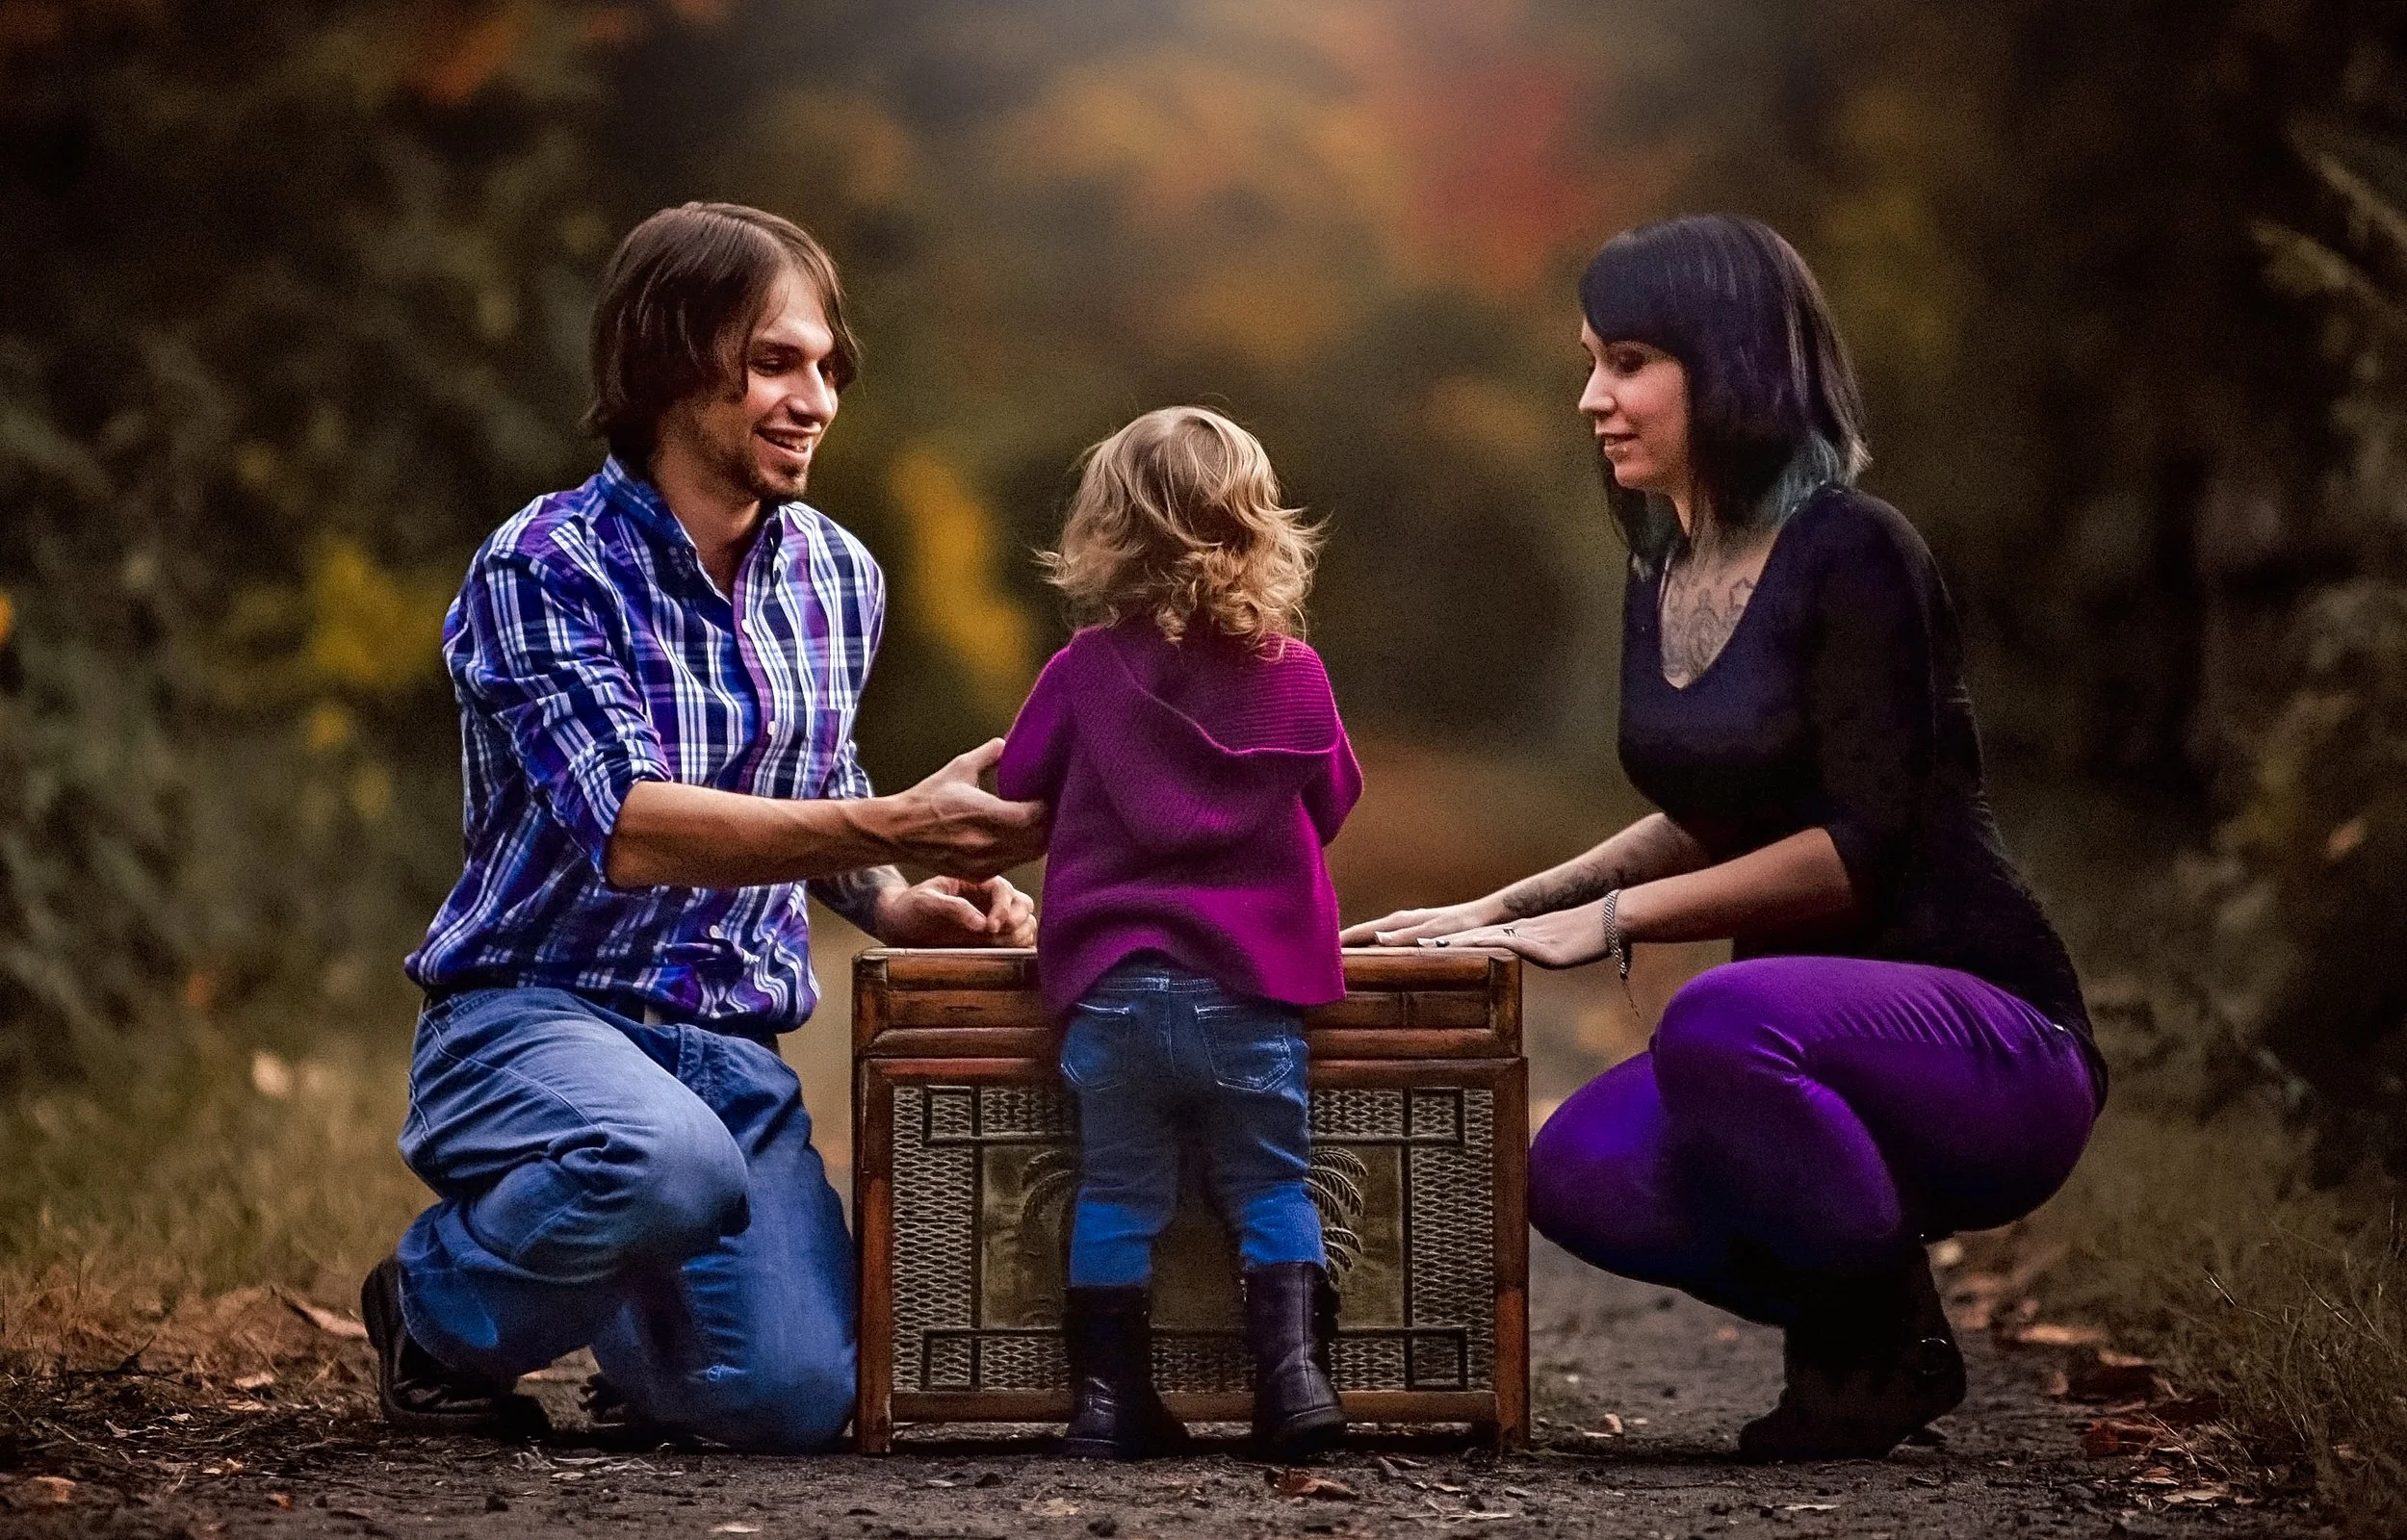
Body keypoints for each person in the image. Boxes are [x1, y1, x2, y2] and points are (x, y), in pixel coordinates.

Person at [1344, 215, 2107, 1462]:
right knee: (1576, 1170)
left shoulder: (1861, 551)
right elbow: (1711, 811)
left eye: (1630, 358)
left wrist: (1601, 927)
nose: (1592, 395)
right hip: (1805, 1041)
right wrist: (1494, 907)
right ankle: (1878, 1323)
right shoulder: (1665, 571)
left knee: (1720, 1016)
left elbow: (1855, 842)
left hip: (1995, 1042)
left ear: (1737, 362)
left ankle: (1869, 1351)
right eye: (1591, 358)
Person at [362, 202, 1047, 1450]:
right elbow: (629, 826)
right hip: (535, 1012)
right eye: (776, 361)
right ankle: (435, 1311)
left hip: (732, 1055)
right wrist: (897, 814)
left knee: (793, 1400)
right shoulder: (544, 566)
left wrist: (893, 895)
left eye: (827, 365)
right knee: (665, 1162)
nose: (817, 397)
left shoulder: (840, 575)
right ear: (672, 361)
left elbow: (811, 777)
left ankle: (636, 1290)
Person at [996, 406, 1364, 1460]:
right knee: (1270, 1186)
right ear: (1257, 528)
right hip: (1252, 993)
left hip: (1113, 988)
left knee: (1117, 1189)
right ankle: (1293, 1390)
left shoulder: (1081, 670)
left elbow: (1021, 781)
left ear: (1105, 532)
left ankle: (1108, 1406)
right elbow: (1330, 801)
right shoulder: (1296, 675)